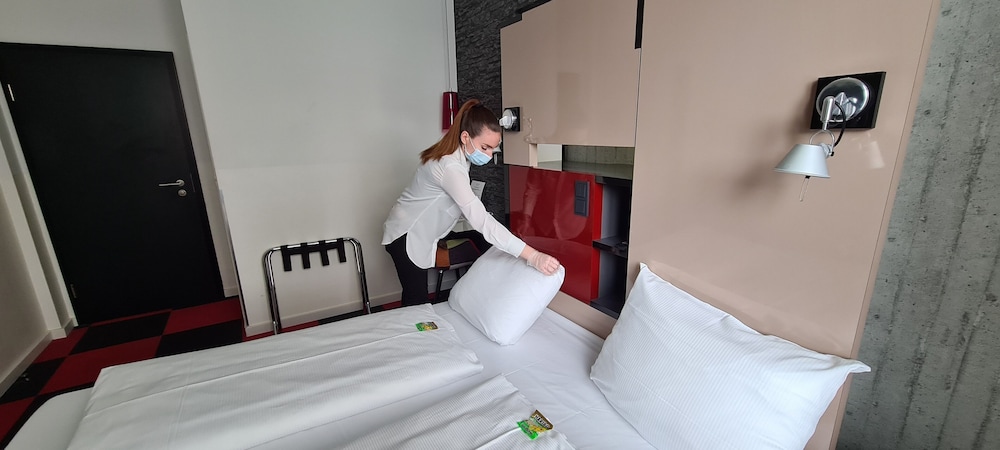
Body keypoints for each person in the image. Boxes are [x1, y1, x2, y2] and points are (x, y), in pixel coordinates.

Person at [382, 99, 561, 306]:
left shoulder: (456, 158)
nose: (489, 155)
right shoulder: (449, 166)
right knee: (417, 302)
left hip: (417, 230)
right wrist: (534, 256)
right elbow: (480, 220)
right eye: (485, 147)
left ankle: (491, 293)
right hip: (407, 235)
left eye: (493, 149)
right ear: (465, 137)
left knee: (479, 239)